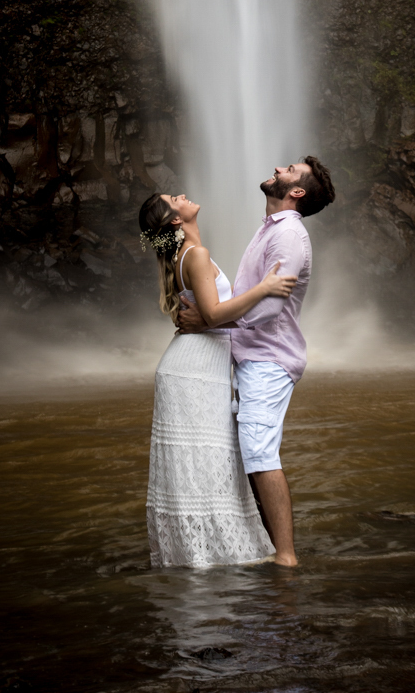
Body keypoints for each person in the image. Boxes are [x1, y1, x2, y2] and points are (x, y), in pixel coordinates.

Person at [179, 156, 335, 567]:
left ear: (297, 192)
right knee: (247, 451)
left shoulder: (288, 236)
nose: (280, 168)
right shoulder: (265, 231)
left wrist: (212, 319)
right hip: (239, 354)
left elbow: (267, 309)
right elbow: (253, 299)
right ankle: (267, 546)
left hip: (268, 358)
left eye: (289, 169)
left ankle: (285, 557)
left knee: (259, 452)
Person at [138, 189, 296, 568]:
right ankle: (210, 555)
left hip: (192, 367)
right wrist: (264, 289)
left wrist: (211, 317)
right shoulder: (196, 255)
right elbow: (211, 313)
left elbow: (207, 315)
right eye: (173, 198)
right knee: (203, 460)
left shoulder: (185, 254)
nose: (182, 194)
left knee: (202, 461)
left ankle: (201, 554)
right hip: (195, 371)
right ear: (176, 220)